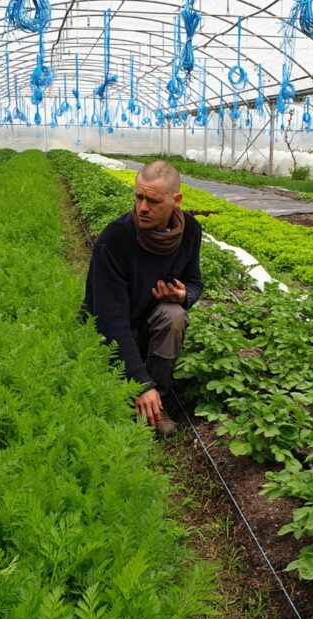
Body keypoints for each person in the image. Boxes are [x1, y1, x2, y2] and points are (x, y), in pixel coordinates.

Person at [80, 160, 203, 437]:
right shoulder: (115, 241)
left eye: (153, 200)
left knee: (174, 315)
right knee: (103, 379)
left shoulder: (190, 232)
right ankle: (138, 395)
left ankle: (155, 404)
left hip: (148, 328)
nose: (142, 207)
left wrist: (184, 295)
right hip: (107, 336)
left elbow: (195, 282)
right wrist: (139, 381)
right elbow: (110, 322)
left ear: (176, 200)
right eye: (138, 197)